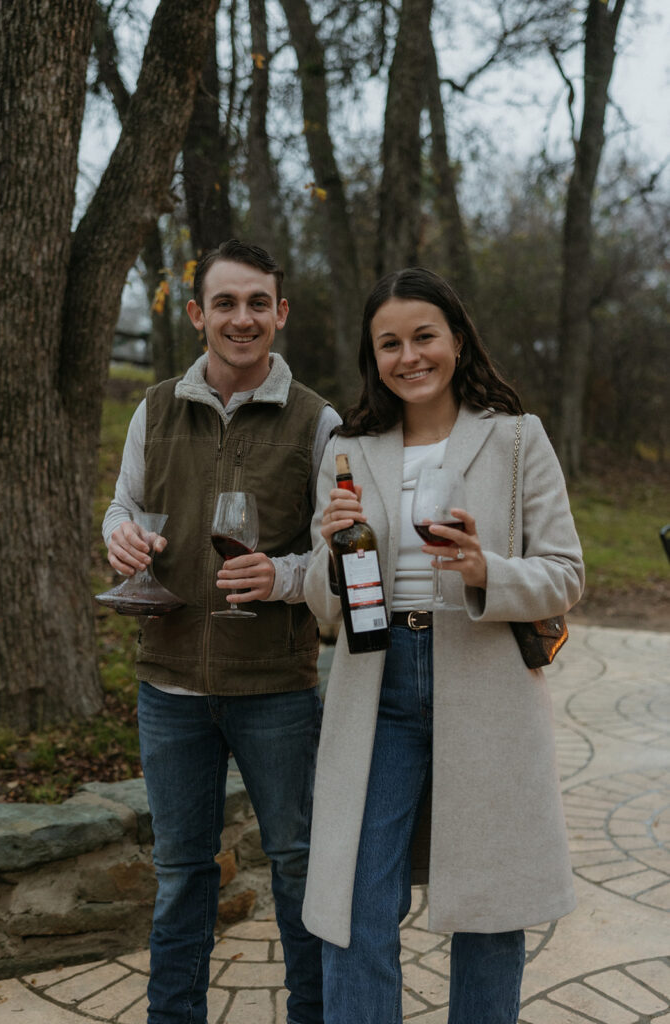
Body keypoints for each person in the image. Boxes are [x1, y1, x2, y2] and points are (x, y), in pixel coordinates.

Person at [301, 267, 585, 1024]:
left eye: (423, 336)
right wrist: (327, 555)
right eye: (388, 343)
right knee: (355, 899)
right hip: (376, 686)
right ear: (372, 356)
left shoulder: (517, 438)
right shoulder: (349, 446)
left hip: (485, 682)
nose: (408, 355)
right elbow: (322, 604)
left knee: (489, 905)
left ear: (456, 340)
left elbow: (564, 575)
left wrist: (483, 568)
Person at [103, 239, 340, 1024]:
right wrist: (121, 537)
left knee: (298, 870)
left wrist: (282, 577)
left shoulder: (317, 422)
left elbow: (338, 558)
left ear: (280, 313)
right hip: (167, 686)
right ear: (199, 313)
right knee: (179, 875)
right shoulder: (155, 407)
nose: (242, 319)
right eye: (226, 303)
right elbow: (123, 508)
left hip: (274, 689)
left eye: (257, 303)